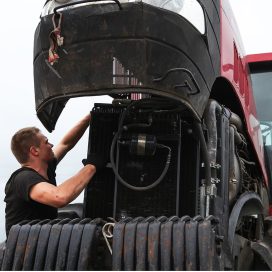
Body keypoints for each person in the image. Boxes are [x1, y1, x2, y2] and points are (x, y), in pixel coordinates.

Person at [4, 113, 105, 237]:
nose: (51, 145)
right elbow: (60, 197)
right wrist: (91, 167)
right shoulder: (23, 178)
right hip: (22, 251)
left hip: (42, 242)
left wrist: (90, 117)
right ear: (34, 151)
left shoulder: (47, 168)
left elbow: (66, 144)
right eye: (46, 142)